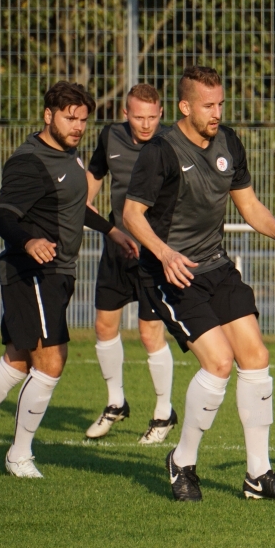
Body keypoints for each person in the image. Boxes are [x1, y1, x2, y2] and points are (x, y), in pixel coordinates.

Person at [0, 82, 136, 478]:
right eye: (69, 118)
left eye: (83, 120)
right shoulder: (29, 161)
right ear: (48, 115)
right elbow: (3, 218)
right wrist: (30, 239)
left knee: (18, 362)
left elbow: (77, 206)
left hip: (56, 271)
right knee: (52, 361)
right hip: (33, 271)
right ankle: (18, 455)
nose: (77, 127)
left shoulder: (70, 157)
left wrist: (112, 232)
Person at [123, 65, 275, 503]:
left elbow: (248, 203)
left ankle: (257, 475)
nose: (216, 112)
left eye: (220, 103)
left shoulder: (229, 143)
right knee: (219, 363)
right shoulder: (161, 151)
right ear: (185, 106)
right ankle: (182, 462)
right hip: (172, 273)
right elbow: (131, 214)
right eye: (208, 105)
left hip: (216, 266)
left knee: (256, 356)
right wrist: (165, 253)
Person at [83, 84, 177, 444]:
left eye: (152, 117)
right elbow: (93, 177)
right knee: (104, 325)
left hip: (155, 252)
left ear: (162, 112)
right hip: (117, 247)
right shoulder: (110, 137)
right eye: (139, 117)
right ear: (126, 113)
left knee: (148, 332)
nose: (146, 124)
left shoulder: (170, 143)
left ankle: (163, 412)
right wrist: (85, 204)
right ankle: (115, 403)